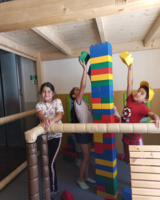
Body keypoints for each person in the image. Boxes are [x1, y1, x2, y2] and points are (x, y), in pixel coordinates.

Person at [121, 63, 160, 163]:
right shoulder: (130, 99)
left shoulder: (142, 107)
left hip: (135, 138)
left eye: (142, 93)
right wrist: (130, 69)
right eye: (138, 90)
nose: (137, 93)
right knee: (128, 161)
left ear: (145, 100)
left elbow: (152, 114)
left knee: (138, 163)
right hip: (125, 136)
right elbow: (129, 84)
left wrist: (156, 117)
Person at [70, 60, 95, 190]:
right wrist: (84, 70)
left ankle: (85, 176)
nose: (80, 90)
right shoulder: (77, 102)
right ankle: (80, 179)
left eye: (80, 89)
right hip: (82, 132)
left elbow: (92, 112)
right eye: (77, 90)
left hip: (89, 131)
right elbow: (83, 86)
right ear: (74, 96)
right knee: (86, 157)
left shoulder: (85, 103)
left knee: (88, 157)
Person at [36, 82, 64, 198]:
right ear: (41, 93)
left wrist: (50, 121)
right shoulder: (39, 104)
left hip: (56, 135)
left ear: (53, 93)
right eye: (44, 91)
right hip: (44, 137)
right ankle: (47, 185)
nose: (46, 93)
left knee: (50, 163)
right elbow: (40, 115)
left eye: (49, 91)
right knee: (45, 163)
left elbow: (59, 115)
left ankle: (53, 189)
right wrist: (45, 120)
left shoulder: (57, 102)